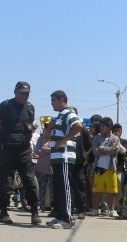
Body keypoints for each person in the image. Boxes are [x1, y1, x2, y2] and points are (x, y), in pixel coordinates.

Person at [0, 81, 41, 225]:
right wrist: (1, 142)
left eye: (27, 93)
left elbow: (30, 127)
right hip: (8, 149)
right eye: (22, 93)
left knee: (30, 181)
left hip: (24, 150)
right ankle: (3, 213)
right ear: (15, 92)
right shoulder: (5, 105)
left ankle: (34, 212)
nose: (24, 95)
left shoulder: (30, 107)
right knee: (6, 183)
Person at [46, 90, 84, 229]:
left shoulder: (69, 113)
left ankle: (68, 218)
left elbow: (78, 126)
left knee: (65, 188)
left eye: (53, 100)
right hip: (56, 157)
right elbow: (49, 136)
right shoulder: (59, 116)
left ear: (62, 100)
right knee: (58, 188)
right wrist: (49, 129)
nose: (51, 103)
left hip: (65, 157)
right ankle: (60, 215)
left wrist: (63, 141)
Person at [88, 117, 123, 218]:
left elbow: (115, 151)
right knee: (97, 190)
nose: (101, 128)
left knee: (112, 191)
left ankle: (112, 210)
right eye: (101, 126)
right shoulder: (97, 138)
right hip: (99, 167)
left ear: (109, 127)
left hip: (111, 168)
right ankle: (95, 209)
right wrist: (109, 149)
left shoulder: (115, 138)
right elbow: (95, 152)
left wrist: (102, 148)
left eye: (103, 126)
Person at [33, 123, 54, 212]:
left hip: (53, 167)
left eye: (51, 129)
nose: (49, 131)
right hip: (41, 167)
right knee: (41, 188)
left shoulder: (56, 139)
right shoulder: (40, 139)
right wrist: (50, 151)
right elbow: (36, 151)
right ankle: (40, 206)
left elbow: (56, 150)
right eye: (47, 129)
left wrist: (44, 149)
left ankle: (53, 207)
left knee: (53, 188)